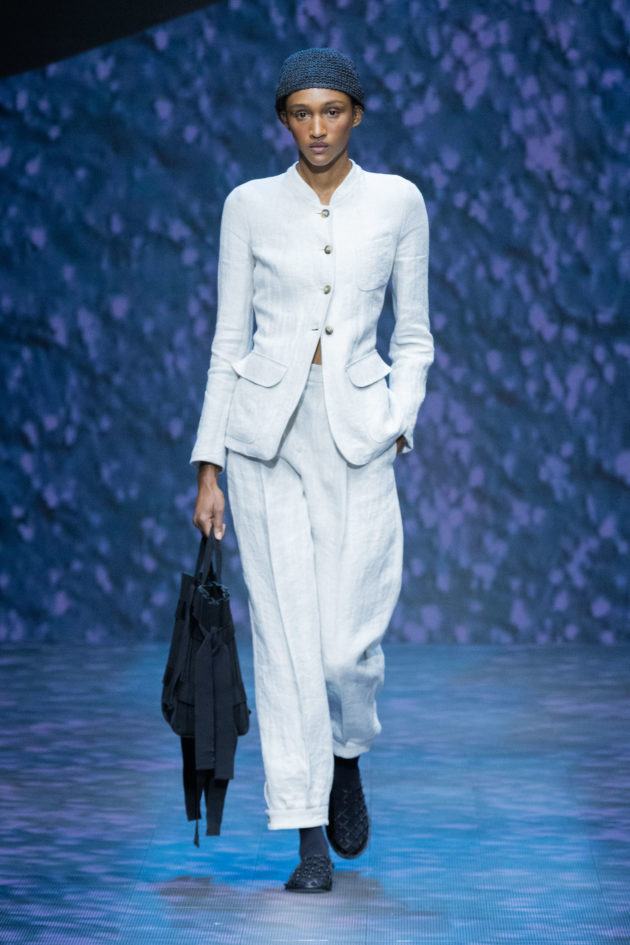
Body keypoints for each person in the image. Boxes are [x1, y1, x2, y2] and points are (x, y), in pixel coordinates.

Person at [191, 47, 434, 893]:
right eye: (303, 112)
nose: (318, 127)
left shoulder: (398, 202)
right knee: (286, 642)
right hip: (264, 440)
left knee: (343, 651)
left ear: (356, 115)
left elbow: (413, 334)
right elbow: (228, 339)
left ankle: (346, 751)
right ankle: (307, 839)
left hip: (358, 433)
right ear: (284, 120)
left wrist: (398, 418)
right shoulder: (249, 205)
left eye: (333, 110)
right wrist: (209, 464)